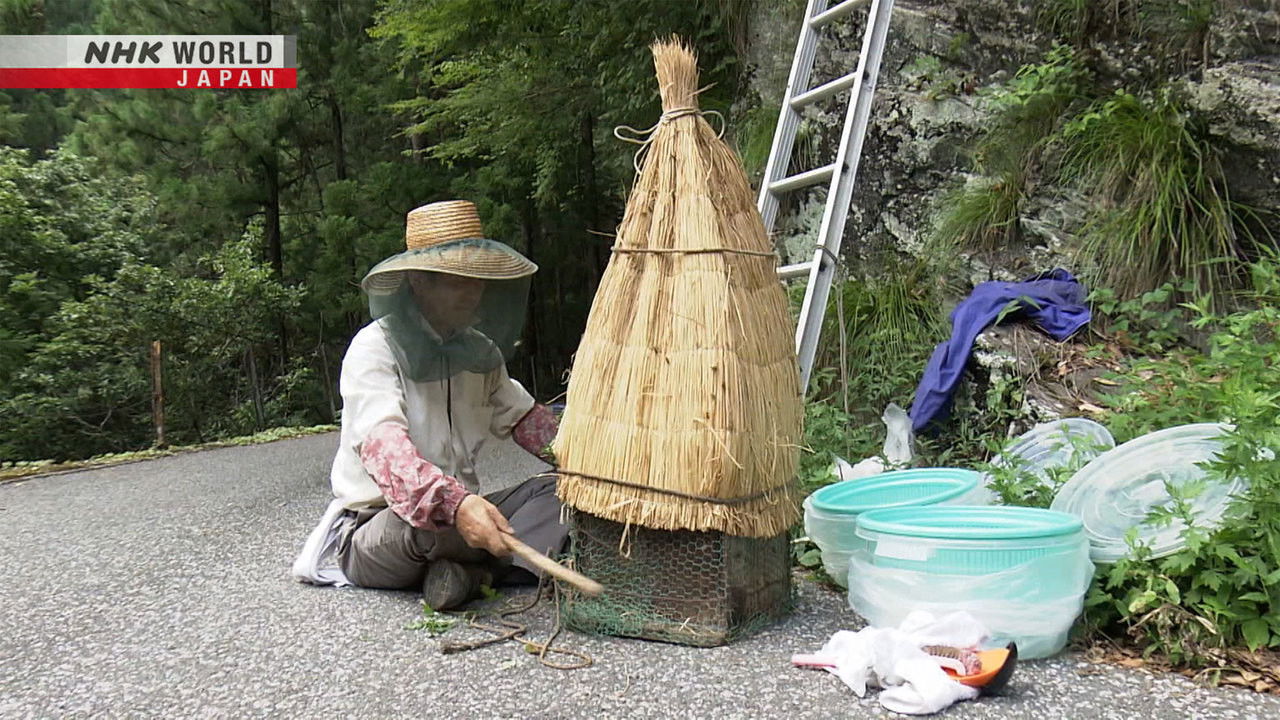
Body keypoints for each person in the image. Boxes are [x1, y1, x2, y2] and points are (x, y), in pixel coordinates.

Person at [292, 200, 564, 610]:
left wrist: (598, 468)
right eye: (457, 279)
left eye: (478, 278)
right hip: (383, 529)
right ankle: (497, 569)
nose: (473, 291)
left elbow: (530, 423)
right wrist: (456, 506)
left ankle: (472, 577)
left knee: (565, 493)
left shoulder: (479, 352)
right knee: (430, 525)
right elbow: (385, 450)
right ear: (419, 281)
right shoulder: (374, 348)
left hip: (465, 518)